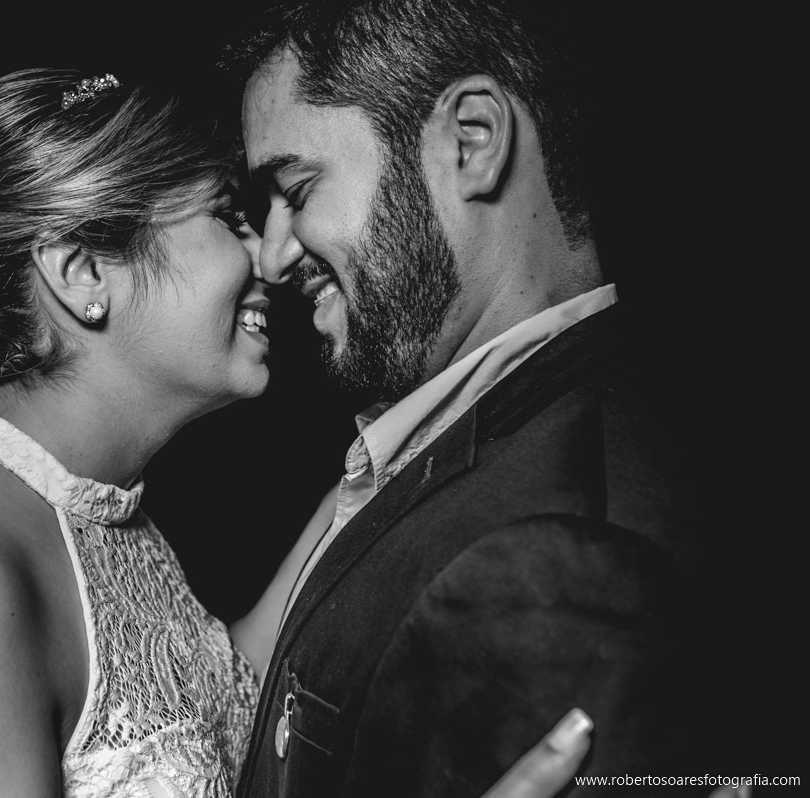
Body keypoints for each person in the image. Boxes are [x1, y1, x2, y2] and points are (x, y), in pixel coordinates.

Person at [0, 67, 601, 798]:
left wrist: (399, 448)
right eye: (228, 218)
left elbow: (219, 705)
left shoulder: (94, 508)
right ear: (83, 273)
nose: (270, 258)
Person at [220, 1, 740, 795]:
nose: (274, 255)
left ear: (473, 141)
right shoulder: (445, 438)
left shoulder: (570, 556)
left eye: (295, 189)